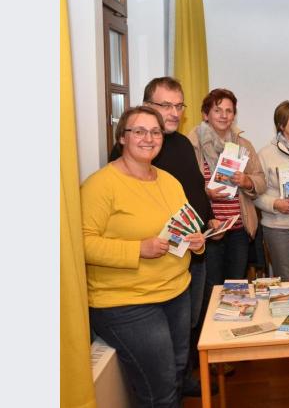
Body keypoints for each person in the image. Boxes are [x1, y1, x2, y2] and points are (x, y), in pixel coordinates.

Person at [83, 106, 206, 407]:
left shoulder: (169, 181)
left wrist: (198, 242)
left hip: (176, 291)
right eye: (138, 131)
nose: (148, 138)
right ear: (122, 138)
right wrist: (139, 248)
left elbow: (186, 227)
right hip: (127, 302)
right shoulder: (100, 185)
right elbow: (82, 244)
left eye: (155, 131)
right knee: (160, 388)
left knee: (177, 370)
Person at [108, 77, 217, 397]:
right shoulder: (135, 150)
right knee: (165, 353)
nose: (173, 112)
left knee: (189, 326)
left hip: (193, 251)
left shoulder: (182, 143)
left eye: (178, 105)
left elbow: (194, 190)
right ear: (146, 106)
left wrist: (207, 216)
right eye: (164, 105)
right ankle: (173, 384)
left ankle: (182, 379)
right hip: (156, 266)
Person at [188, 88, 266, 301]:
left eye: (229, 111)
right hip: (209, 229)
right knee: (210, 288)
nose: (224, 115)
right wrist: (205, 193)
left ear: (234, 115)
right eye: (217, 110)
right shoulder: (192, 144)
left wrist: (247, 181)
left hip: (238, 229)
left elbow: (260, 180)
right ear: (206, 114)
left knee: (236, 286)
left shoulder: (243, 145)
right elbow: (184, 186)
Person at [254, 101, 289, 281]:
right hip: (278, 227)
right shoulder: (265, 154)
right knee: (285, 280)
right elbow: (254, 193)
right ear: (281, 124)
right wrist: (275, 204)